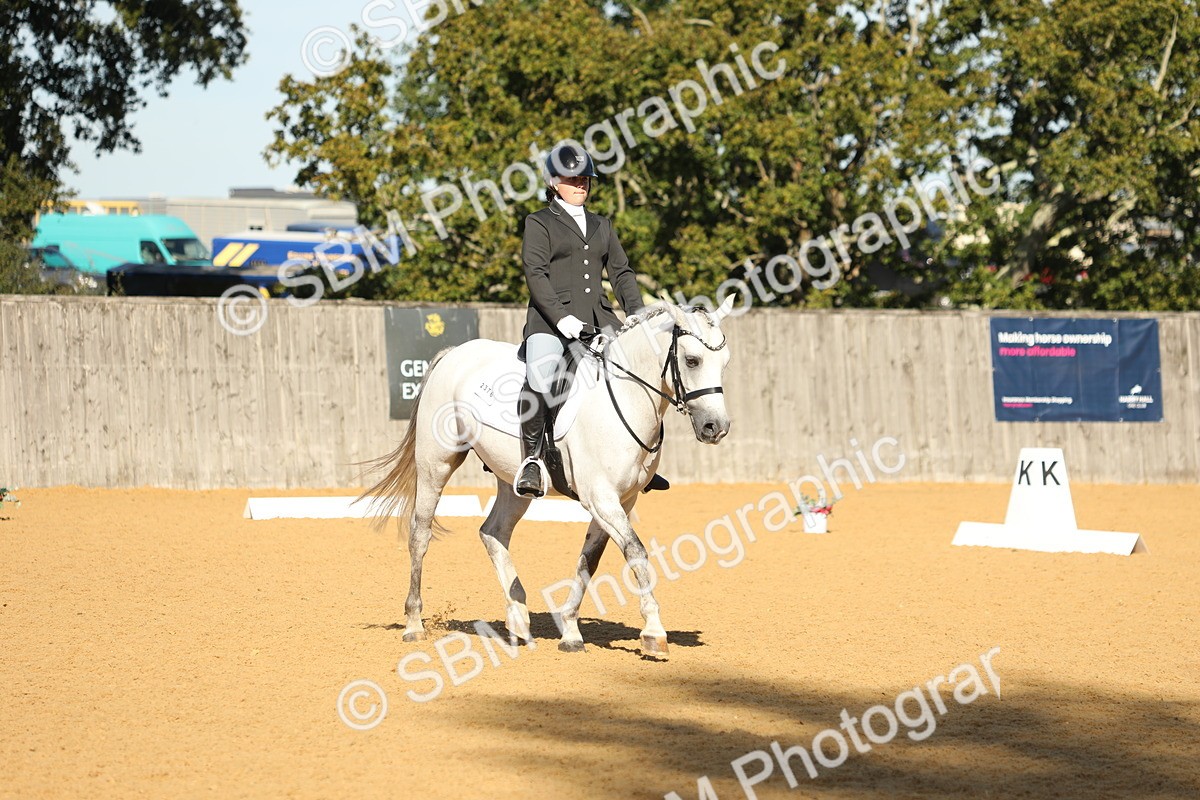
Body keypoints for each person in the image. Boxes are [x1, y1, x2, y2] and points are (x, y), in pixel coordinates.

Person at [515, 142, 669, 497]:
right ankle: (533, 461)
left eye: (585, 178)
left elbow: (622, 272)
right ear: (554, 182)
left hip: (601, 317)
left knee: (643, 373)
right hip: (549, 320)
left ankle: (643, 463)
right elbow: (535, 275)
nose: (581, 184)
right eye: (572, 178)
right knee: (541, 373)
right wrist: (561, 318)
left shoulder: (602, 225)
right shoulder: (539, 222)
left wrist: (637, 314)